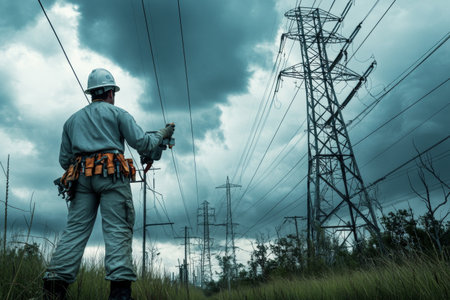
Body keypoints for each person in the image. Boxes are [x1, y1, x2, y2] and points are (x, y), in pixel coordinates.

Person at [43, 68, 175, 300]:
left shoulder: (71, 121)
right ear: (111, 92)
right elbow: (143, 143)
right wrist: (162, 134)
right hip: (112, 175)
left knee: (74, 231)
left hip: (81, 177)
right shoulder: (118, 114)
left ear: (92, 93)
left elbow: (65, 161)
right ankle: (120, 294)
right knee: (117, 229)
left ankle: (53, 290)